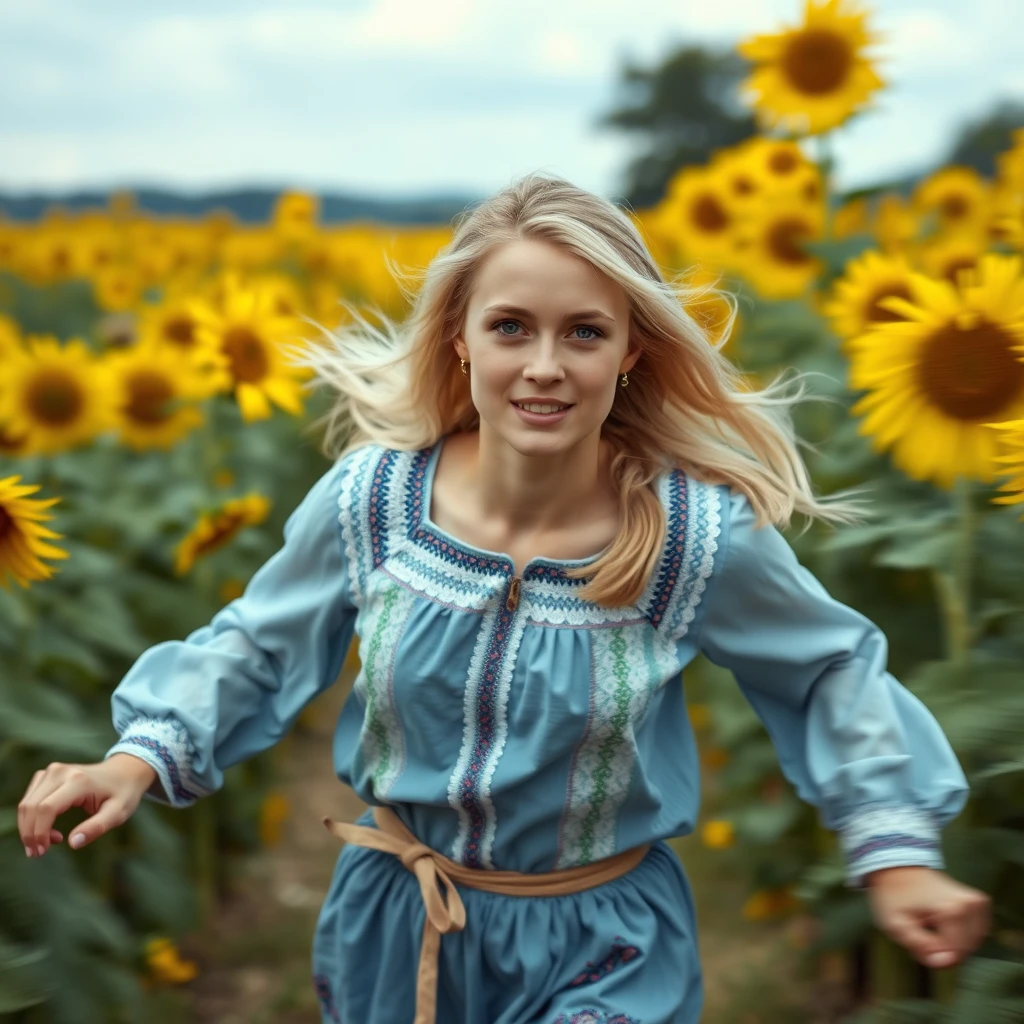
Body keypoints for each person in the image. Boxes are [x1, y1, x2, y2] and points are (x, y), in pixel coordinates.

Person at [18, 172, 990, 1024]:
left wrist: (892, 846)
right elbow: (260, 646)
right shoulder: (377, 502)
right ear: (459, 338)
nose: (543, 365)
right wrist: (138, 756)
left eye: (584, 333)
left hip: (606, 936)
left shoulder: (693, 537)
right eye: (511, 327)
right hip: (398, 920)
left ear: (630, 354)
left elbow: (827, 670)